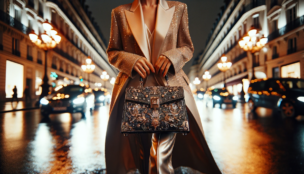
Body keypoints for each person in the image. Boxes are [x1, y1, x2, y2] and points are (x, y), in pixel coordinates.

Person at [105, 0, 222, 173]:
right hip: (135, 91)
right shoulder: (119, 12)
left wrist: (172, 57)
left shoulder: (179, 8)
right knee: (142, 154)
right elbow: (113, 52)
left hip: (170, 88)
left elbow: (187, 47)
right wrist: (132, 60)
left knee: (161, 154)